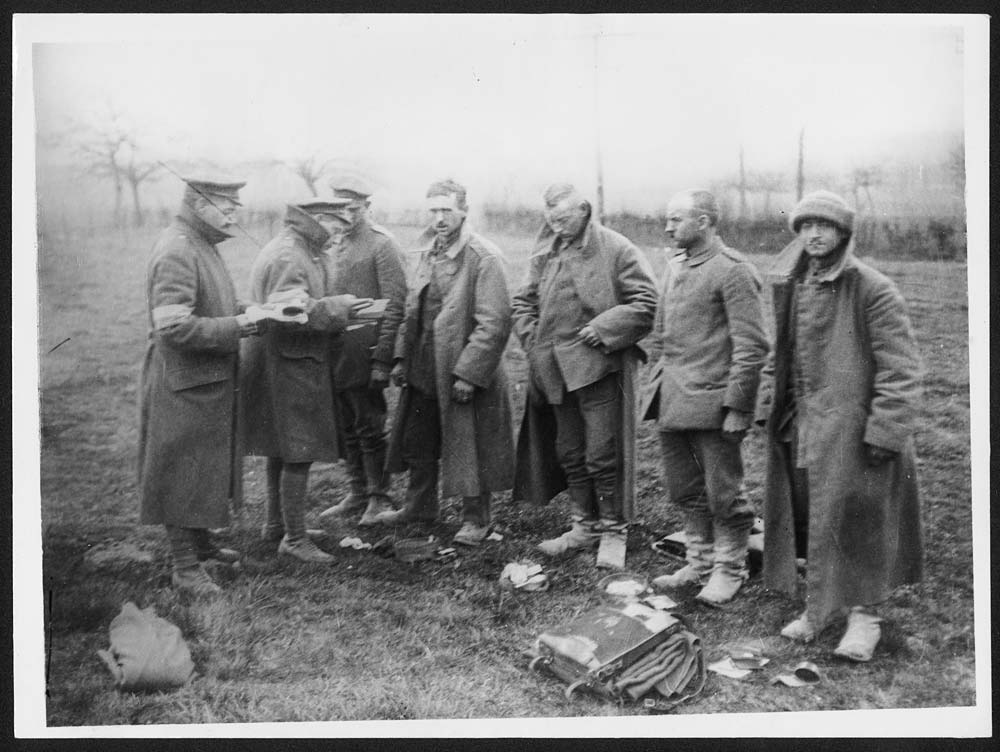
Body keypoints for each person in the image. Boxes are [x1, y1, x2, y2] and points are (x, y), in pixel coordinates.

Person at [756, 190, 923, 661]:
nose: (813, 235)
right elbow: (778, 354)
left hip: (857, 429)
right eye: (805, 226)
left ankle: (865, 619)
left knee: (861, 520)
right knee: (815, 517)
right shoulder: (791, 282)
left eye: (824, 227)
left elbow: (902, 370)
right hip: (805, 425)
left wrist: (884, 433)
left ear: (843, 233)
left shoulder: (872, 288)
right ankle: (819, 608)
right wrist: (768, 405)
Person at [139, 173, 275, 597]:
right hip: (183, 381)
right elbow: (175, 328)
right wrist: (242, 324)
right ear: (199, 205)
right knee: (181, 470)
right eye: (227, 205)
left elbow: (211, 304)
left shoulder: (200, 244)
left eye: (237, 205)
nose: (236, 213)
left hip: (203, 379)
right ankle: (184, 568)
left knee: (201, 469)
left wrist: (259, 311)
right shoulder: (179, 249)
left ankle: (200, 548)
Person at [511, 183, 657, 557]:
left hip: (599, 370)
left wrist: (605, 328)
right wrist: (532, 342)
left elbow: (646, 302)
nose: (557, 225)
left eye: (563, 218)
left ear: (584, 210)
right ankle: (583, 527)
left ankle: (613, 530)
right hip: (553, 370)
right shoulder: (546, 250)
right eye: (551, 219)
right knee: (570, 451)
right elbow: (523, 301)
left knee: (602, 453)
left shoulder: (616, 247)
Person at [643, 189, 769, 606]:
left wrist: (737, 407)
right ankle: (698, 562)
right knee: (684, 489)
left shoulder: (733, 271)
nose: (667, 227)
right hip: (673, 400)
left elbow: (751, 346)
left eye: (676, 219)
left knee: (724, 494)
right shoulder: (675, 266)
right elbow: (661, 334)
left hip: (713, 405)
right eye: (667, 219)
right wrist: (654, 386)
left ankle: (730, 569)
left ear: (705, 222)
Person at [376, 179, 514, 547]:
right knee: (419, 441)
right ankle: (419, 507)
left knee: (469, 443)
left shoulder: (484, 257)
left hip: (460, 369)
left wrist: (469, 373)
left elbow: (495, 322)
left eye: (447, 210)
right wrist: (402, 357)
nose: (439, 218)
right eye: (433, 210)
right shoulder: (424, 251)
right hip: (423, 366)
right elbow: (412, 309)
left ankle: (476, 519)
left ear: (463, 211)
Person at [241, 199, 374, 563]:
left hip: (282, 361)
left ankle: (277, 524)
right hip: (287, 363)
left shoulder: (302, 249)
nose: (339, 230)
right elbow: (290, 315)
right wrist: (340, 307)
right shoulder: (290, 255)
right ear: (316, 220)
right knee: (297, 450)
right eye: (334, 224)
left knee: (281, 447)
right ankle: (295, 539)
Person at [315, 176, 408, 528]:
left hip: (365, 351)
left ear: (367, 207)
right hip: (335, 351)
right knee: (347, 426)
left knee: (370, 425)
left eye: (353, 209)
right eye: (340, 209)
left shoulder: (382, 245)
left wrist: (384, 357)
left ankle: (378, 494)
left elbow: (396, 304)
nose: (346, 216)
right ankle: (356, 490)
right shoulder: (333, 243)